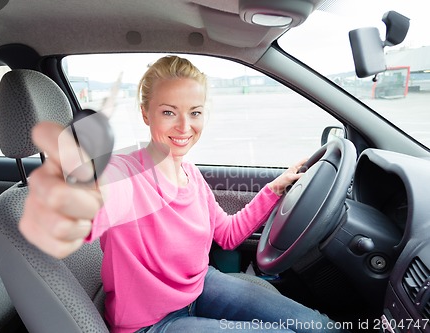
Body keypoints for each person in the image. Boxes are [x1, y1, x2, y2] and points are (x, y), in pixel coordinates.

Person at [19, 56, 347, 332]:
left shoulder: (188, 171)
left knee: (314, 324)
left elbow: (228, 234)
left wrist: (276, 188)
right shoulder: (122, 173)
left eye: (195, 112)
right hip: (151, 324)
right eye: (168, 112)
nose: (184, 126)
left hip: (200, 287)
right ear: (146, 113)